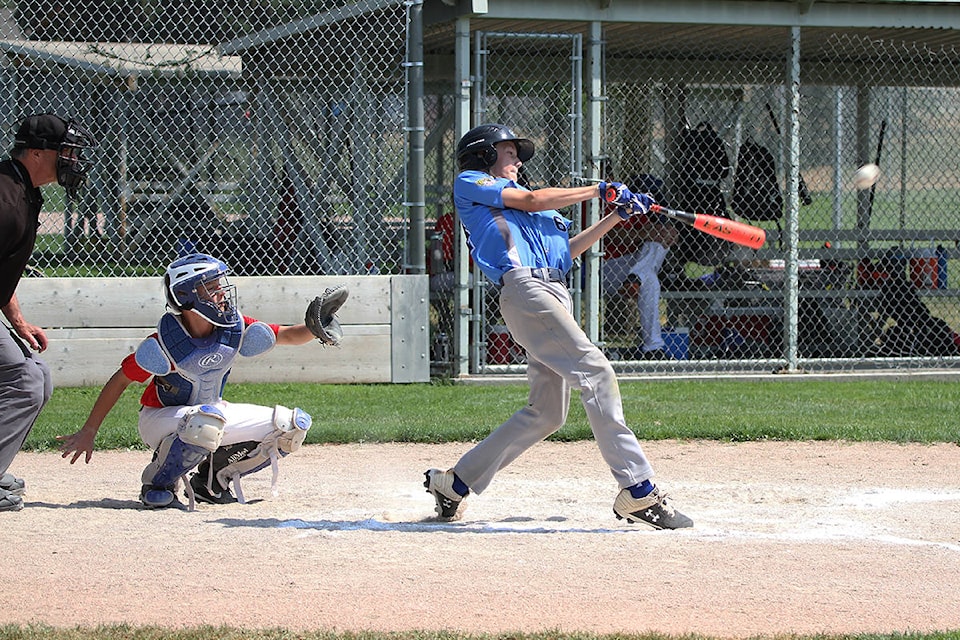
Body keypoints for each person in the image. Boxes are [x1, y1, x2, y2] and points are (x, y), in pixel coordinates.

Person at [423, 123, 693, 530]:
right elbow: (531, 199)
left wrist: (614, 216)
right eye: (509, 152)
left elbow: (565, 253)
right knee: (597, 373)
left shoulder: (537, 210)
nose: (516, 160)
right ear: (483, 155)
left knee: (548, 413)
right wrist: (598, 189)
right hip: (526, 289)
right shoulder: (472, 182)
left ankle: (456, 483)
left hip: (552, 289)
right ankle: (638, 490)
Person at [57, 252, 331, 510]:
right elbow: (119, 381)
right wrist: (89, 431)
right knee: (206, 422)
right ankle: (158, 483)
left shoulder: (232, 327)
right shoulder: (165, 344)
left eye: (219, 284)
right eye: (211, 287)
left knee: (291, 426)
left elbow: (287, 335)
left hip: (210, 414)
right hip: (159, 419)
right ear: (188, 296)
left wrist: (316, 328)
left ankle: (212, 481)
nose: (222, 293)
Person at [0, 113, 97, 513]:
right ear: (37, 152)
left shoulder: (24, 190)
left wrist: (18, 322)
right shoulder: (5, 198)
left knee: (37, 376)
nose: (72, 160)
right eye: (66, 152)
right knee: (23, 380)